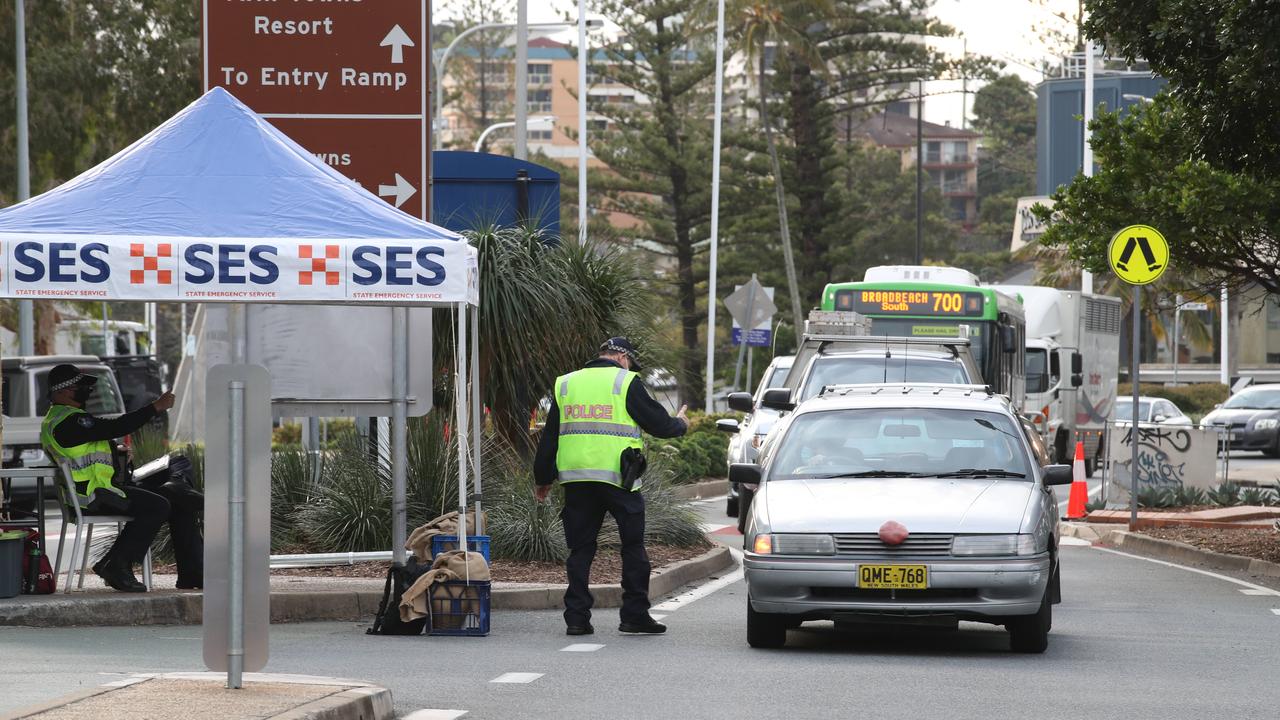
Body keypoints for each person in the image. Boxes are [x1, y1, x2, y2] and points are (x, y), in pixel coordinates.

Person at [534, 337, 689, 636]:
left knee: (580, 549)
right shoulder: (625, 382)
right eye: (629, 362)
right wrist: (680, 423)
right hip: (620, 480)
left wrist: (543, 478)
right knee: (632, 547)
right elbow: (659, 424)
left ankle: (577, 618)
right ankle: (634, 615)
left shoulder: (567, 384)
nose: (629, 367)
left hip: (577, 480)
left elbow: (550, 436)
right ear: (621, 357)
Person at [40, 364, 203, 593]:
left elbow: (88, 446)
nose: (87, 390)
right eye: (80, 386)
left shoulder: (64, 419)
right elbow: (117, 425)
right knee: (158, 505)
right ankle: (116, 565)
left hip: (107, 488)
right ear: (62, 391)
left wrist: (116, 452)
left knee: (178, 482)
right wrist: (156, 407)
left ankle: (194, 572)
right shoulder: (68, 421)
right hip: (95, 495)